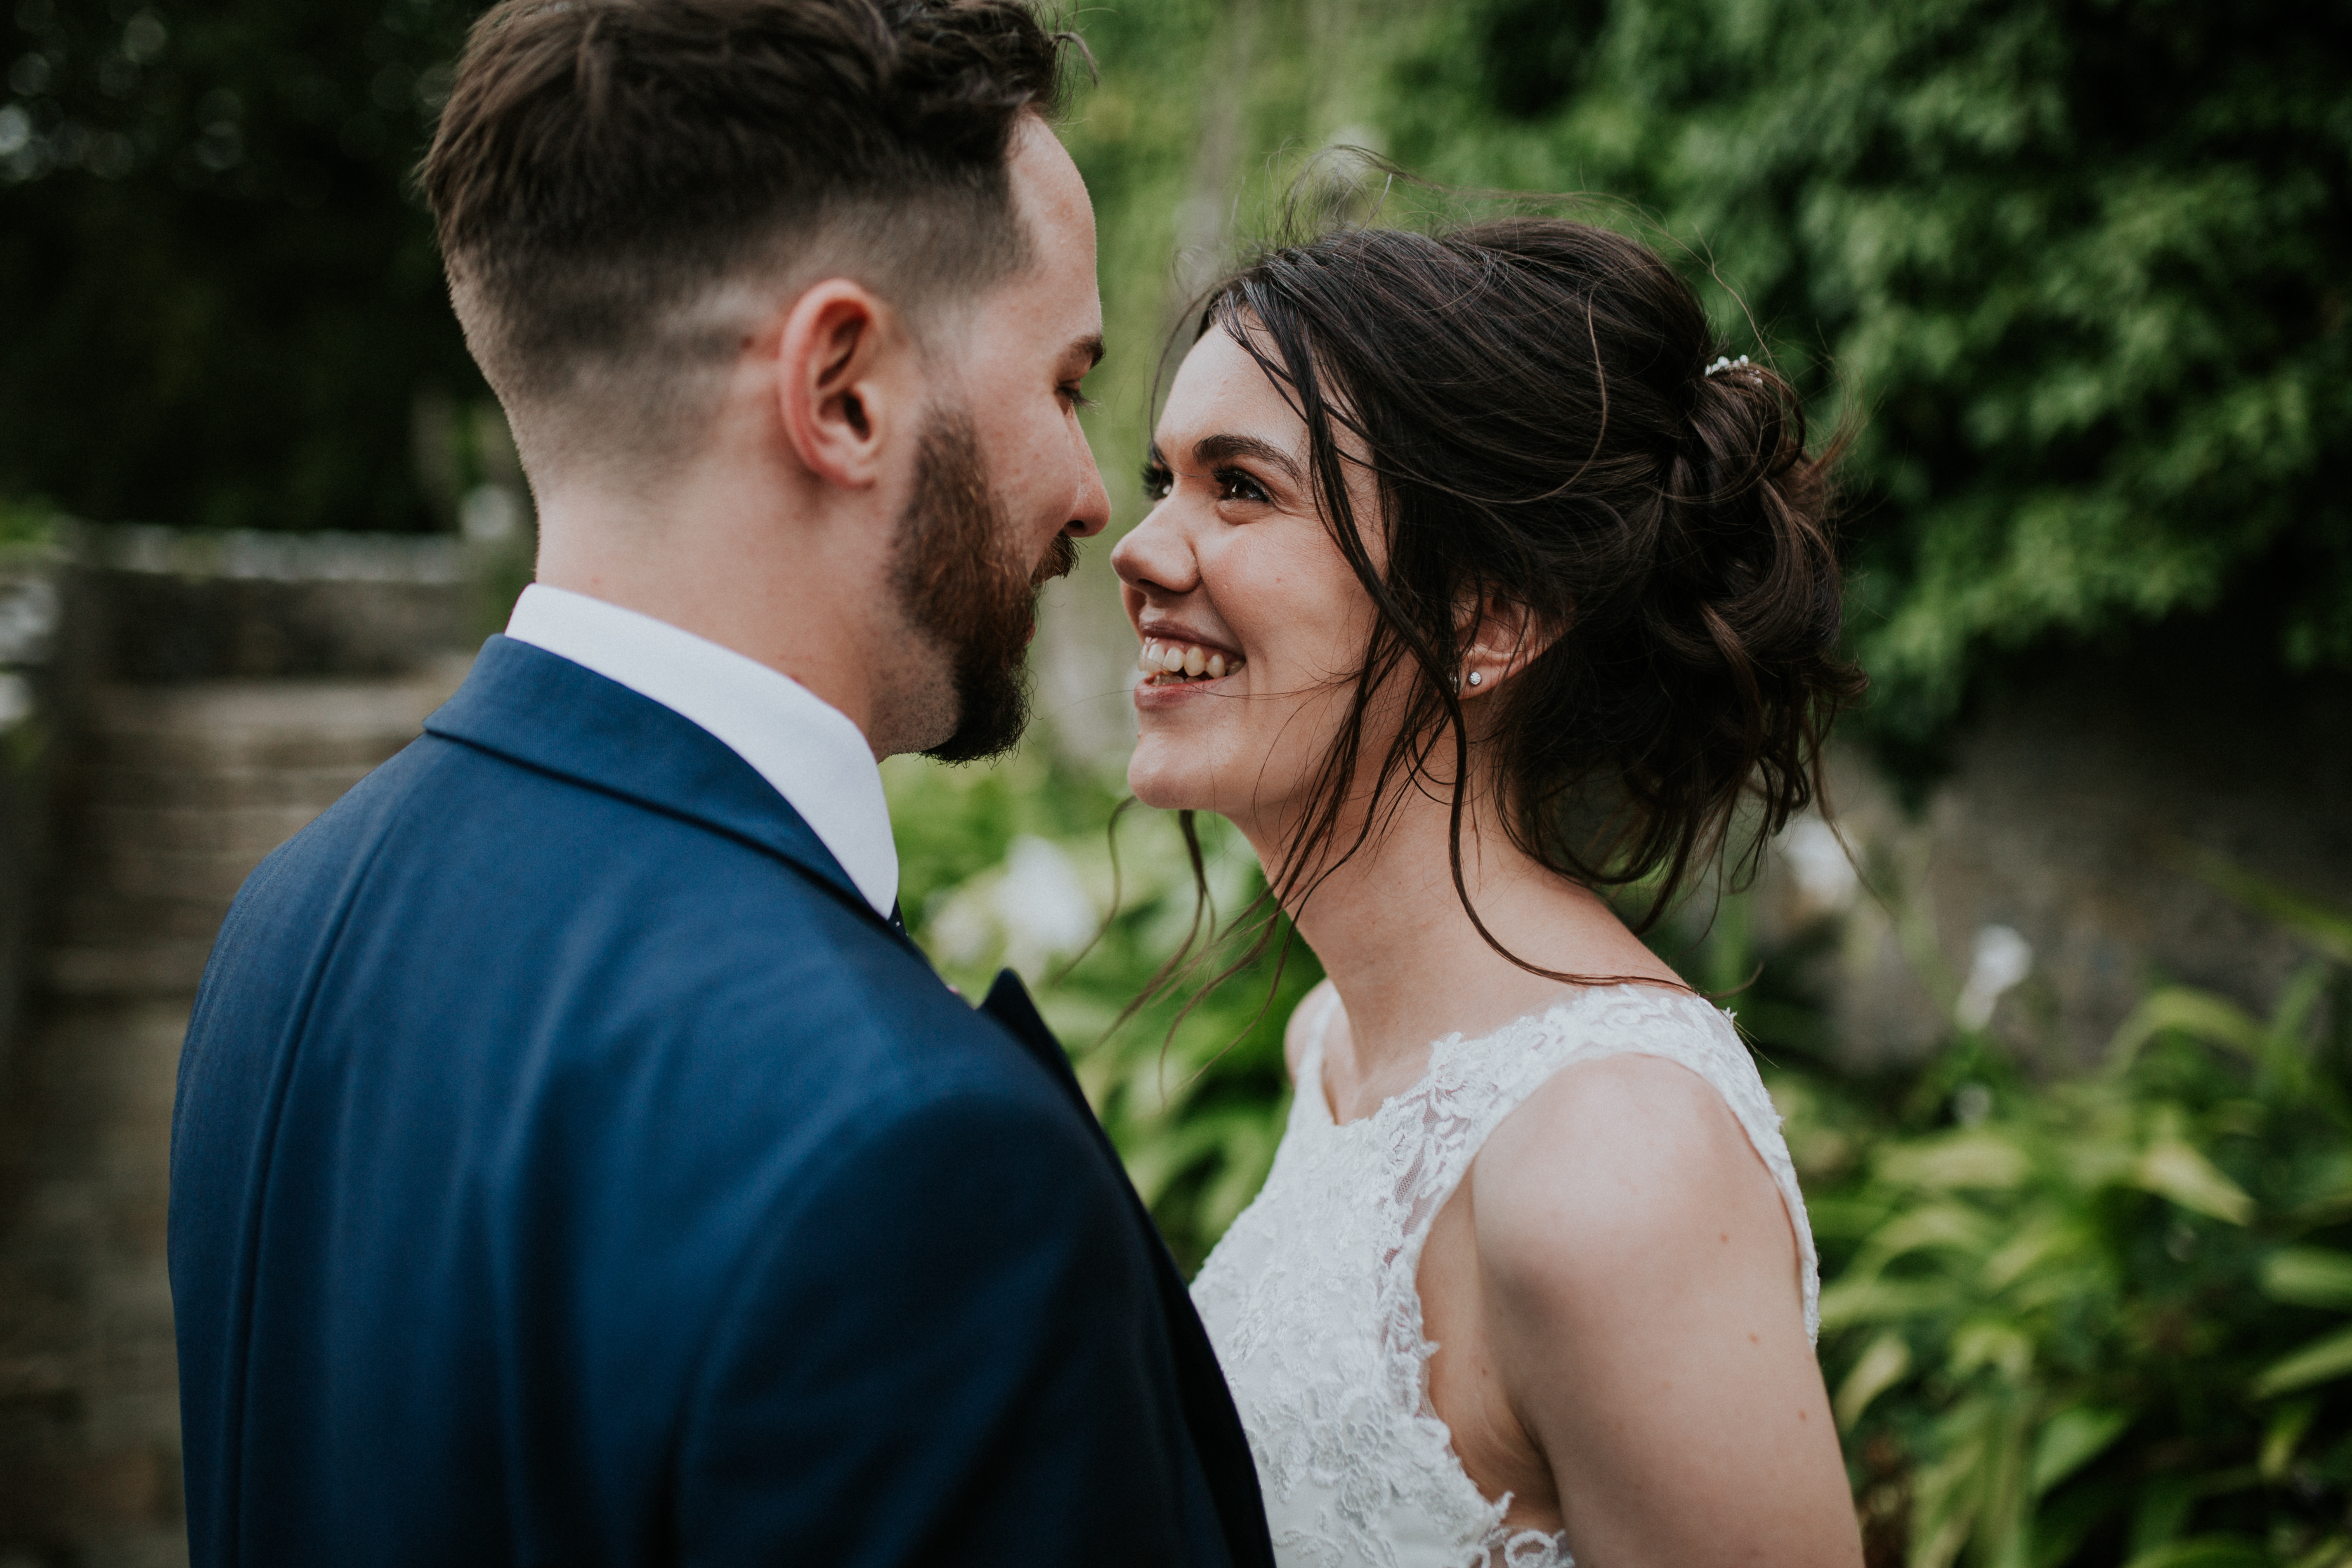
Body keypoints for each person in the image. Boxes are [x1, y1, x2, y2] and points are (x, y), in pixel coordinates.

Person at [165, 2, 1272, 1563]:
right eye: (1066, 383)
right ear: (842, 391)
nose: (1095, 497)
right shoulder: (913, 1157)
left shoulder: (285, 923)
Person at [1114, 219, 1870, 1566]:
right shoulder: (1334, 1050)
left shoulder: (1611, 1160)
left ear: (1487, 617)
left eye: (1239, 488)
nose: (1140, 549)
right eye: (1160, 478)